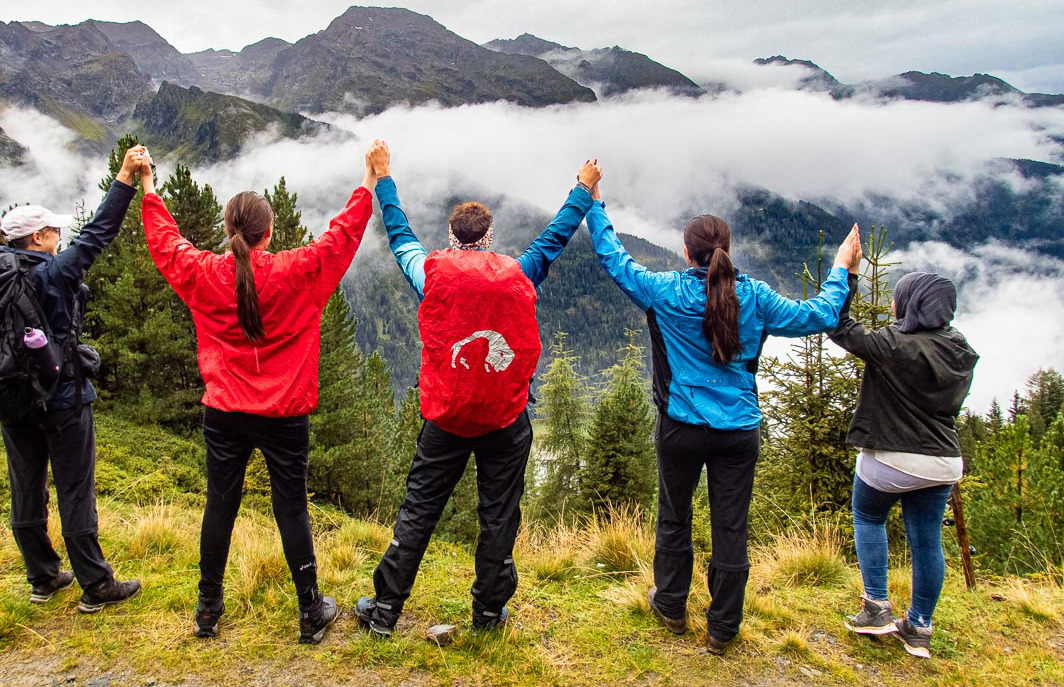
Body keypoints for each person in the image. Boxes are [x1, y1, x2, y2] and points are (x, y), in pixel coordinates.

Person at [586, 182, 860, 654]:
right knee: (730, 527)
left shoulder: (665, 292)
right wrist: (841, 269)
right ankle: (723, 627)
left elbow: (616, 260)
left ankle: (671, 605)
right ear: (726, 251)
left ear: (687, 252)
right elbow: (821, 315)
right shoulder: (756, 297)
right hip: (738, 430)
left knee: (675, 516)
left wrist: (593, 205)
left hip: (680, 426)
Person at [355, 140, 602, 636]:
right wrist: (583, 189)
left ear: (451, 236)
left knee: (419, 511)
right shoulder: (518, 274)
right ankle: (488, 614)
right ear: (489, 238)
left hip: (445, 416)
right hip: (505, 418)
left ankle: (384, 612)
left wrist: (383, 176)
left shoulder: (432, 273)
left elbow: (400, 237)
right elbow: (554, 238)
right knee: (499, 517)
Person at [139, 142, 380, 644]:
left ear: (229, 232)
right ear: (268, 233)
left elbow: (167, 244)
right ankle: (311, 611)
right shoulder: (296, 273)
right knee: (290, 508)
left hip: (224, 410)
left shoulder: (205, 274)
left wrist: (148, 188)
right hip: (284, 413)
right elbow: (339, 240)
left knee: (219, 505)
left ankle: (208, 611)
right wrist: (370, 181)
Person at [0, 146, 147, 613]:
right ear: (37, 238)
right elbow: (96, 236)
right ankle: (96, 585)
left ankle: (43, 577)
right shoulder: (51, 275)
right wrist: (125, 180)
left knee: (25, 484)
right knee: (75, 487)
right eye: (54, 230)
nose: (60, 235)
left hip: (9, 397)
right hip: (61, 398)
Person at [834, 271, 977, 658]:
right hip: (943, 461)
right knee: (928, 541)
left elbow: (842, 328)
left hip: (892, 456)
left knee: (868, 515)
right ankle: (919, 627)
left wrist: (845, 275)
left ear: (912, 303)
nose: (894, 305)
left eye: (900, 298)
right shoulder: (961, 350)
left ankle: (876, 608)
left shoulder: (895, 344)